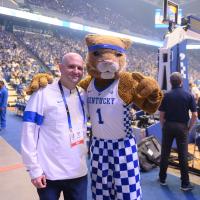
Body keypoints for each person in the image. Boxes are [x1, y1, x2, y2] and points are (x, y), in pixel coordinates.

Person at [21, 53, 88, 200]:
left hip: (79, 173)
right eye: (71, 66)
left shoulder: (84, 95)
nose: (76, 71)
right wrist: (34, 169)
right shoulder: (43, 92)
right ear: (60, 67)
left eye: (80, 68)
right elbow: (29, 132)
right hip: (49, 174)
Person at [158, 72, 197, 191]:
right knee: (183, 156)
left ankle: (162, 178)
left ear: (170, 82)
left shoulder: (166, 95)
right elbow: (195, 115)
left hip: (168, 126)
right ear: (181, 82)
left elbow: (161, 115)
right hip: (182, 127)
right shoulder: (189, 95)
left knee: (165, 153)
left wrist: (163, 126)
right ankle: (185, 184)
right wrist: (189, 128)